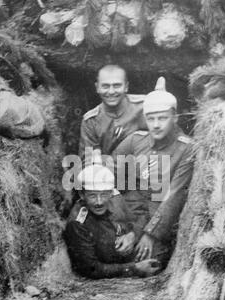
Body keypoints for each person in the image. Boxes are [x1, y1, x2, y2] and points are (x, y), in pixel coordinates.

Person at [113, 77, 194, 268]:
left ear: (174, 118)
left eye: (162, 118)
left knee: (149, 258)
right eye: (151, 118)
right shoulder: (136, 140)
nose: (156, 125)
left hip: (163, 219)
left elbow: (174, 197)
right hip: (135, 214)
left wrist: (150, 234)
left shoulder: (186, 149)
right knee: (112, 249)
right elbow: (111, 172)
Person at [64, 163, 161, 279]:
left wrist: (133, 235)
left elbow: (141, 217)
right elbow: (91, 268)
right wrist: (134, 268)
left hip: (130, 254)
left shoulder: (116, 199)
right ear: (82, 195)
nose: (99, 202)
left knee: (161, 253)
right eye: (92, 196)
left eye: (104, 195)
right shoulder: (77, 223)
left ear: (111, 192)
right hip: (114, 266)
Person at [79, 64, 148, 161]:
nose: (111, 92)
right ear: (97, 88)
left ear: (126, 87)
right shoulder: (91, 121)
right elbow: (88, 161)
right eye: (105, 86)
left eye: (117, 86)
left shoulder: (145, 107)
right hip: (109, 172)